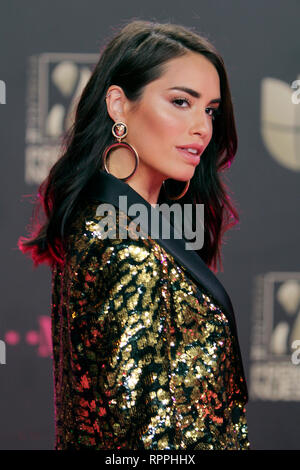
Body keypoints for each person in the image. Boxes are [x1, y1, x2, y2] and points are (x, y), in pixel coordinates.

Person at [18, 20, 250, 450]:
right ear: (119, 105)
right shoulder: (126, 248)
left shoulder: (113, 222)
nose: (202, 127)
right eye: (181, 102)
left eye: (211, 110)